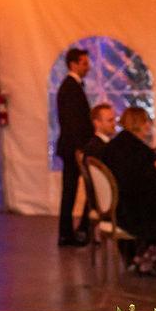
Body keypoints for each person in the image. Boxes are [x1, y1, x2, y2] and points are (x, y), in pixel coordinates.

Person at [89, 106, 156, 273]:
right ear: (137, 123)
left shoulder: (115, 146)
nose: (149, 125)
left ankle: (140, 255)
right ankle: (149, 255)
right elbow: (141, 181)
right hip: (127, 211)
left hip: (113, 206)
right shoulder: (137, 150)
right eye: (145, 121)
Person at [55, 46, 94, 246]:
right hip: (74, 149)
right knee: (75, 190)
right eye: (84, 63)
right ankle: (72, 232)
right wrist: (80, 148)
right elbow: (72, 122)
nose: (88, 67)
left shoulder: (72, 86)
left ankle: (77, 231)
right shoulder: (70, 88)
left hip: (74, 147)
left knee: (75, 190)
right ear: (73, 64)